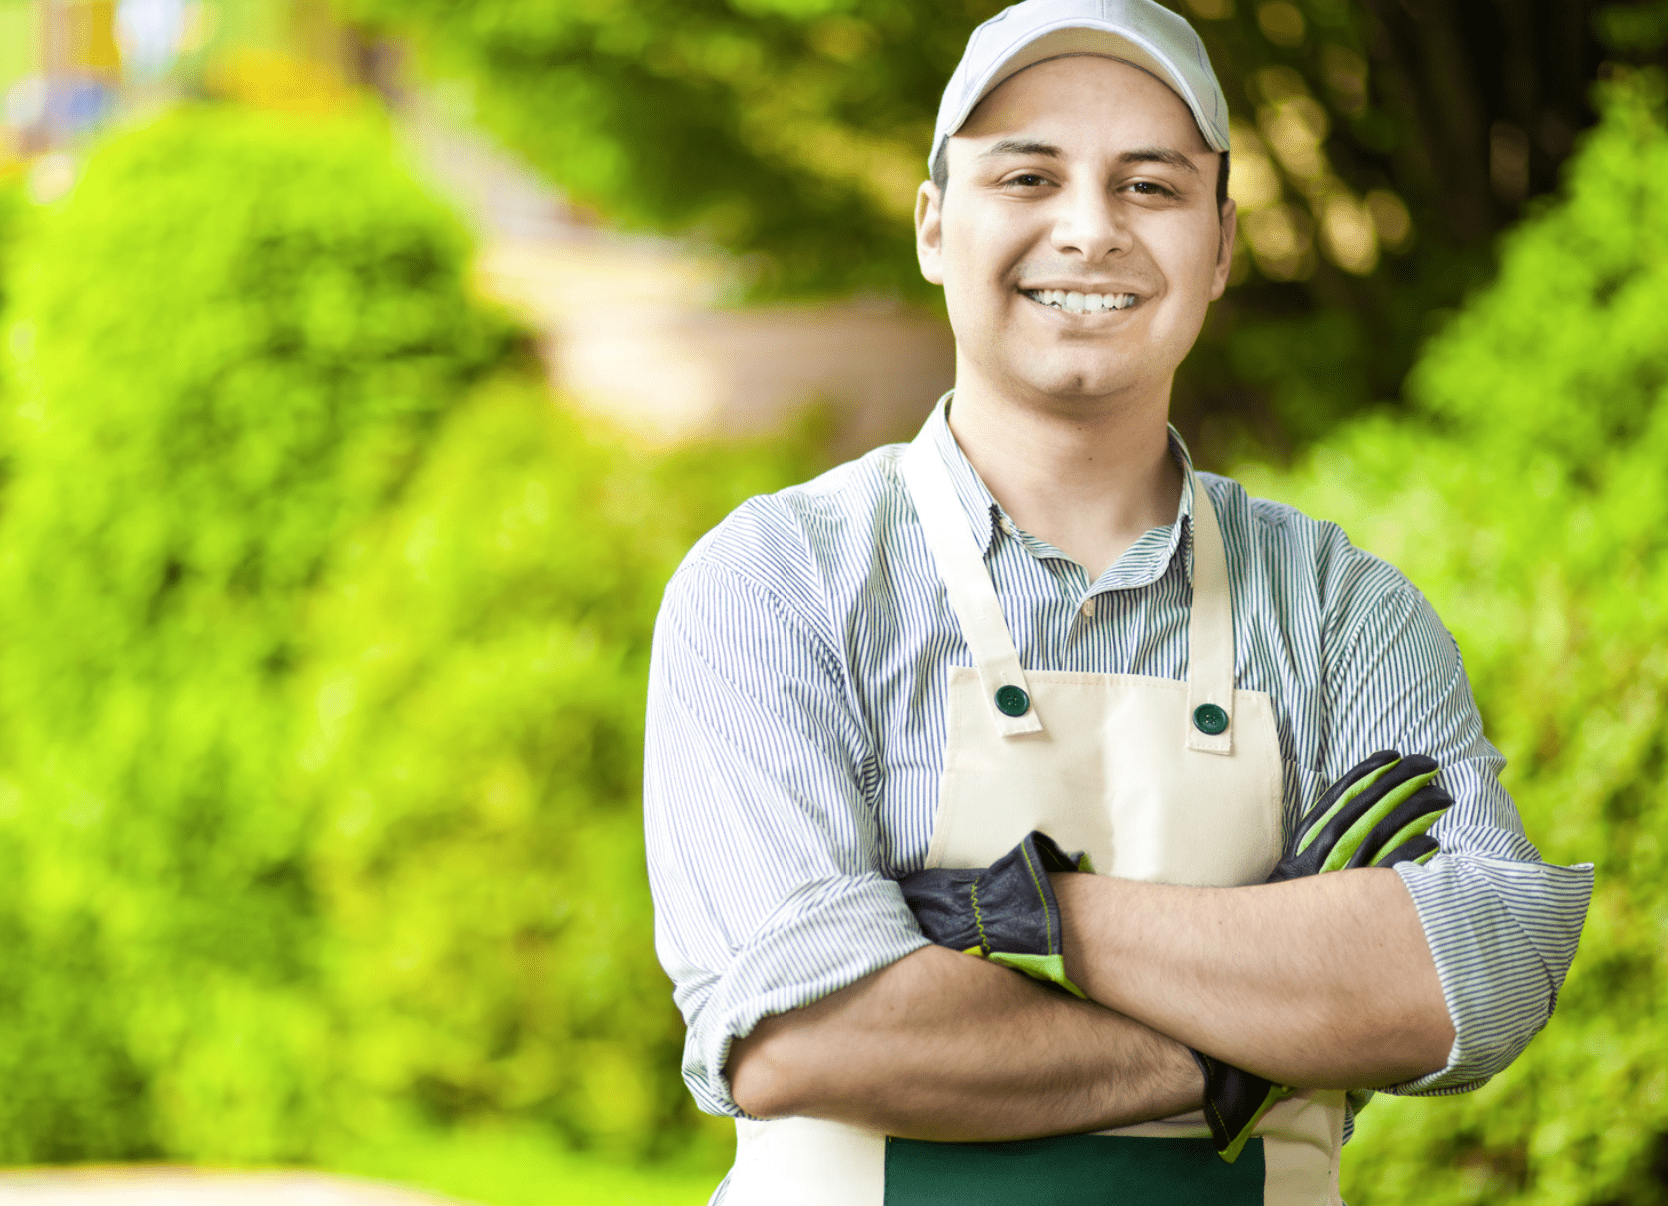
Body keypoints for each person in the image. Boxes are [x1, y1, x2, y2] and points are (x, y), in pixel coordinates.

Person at [642, 2, 1593, 1202]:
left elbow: (1480, 971)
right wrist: (1257, 1035)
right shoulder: (778, 583)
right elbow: (807, 1032)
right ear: (935, 226)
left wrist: (1029, 919)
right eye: (1028, 175)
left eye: (1151, 186)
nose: (1089, 231)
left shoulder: (1340, 610)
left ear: (1223, 244)